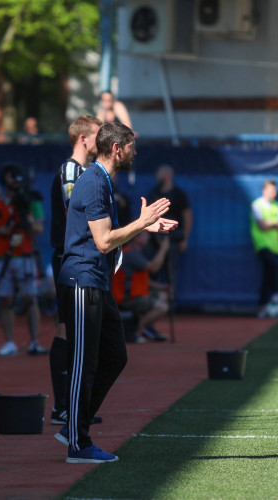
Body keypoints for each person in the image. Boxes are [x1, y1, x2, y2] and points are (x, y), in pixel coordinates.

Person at [54, 122, 178, 463]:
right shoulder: (94, 182)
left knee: (115, 356)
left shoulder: (104, 181)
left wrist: (145, 225)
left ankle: (73, 427)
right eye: (131, 147)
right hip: (82, 281)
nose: (135, 153)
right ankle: (78, 444)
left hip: (97, 281)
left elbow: (110, 236)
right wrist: (141, 223)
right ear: (116, 149)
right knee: (84, 362)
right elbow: (103, 240)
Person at [48, 115, 102, 425]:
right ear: (83, 138)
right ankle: (62, 406)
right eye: (97, 135)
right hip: (70, 258)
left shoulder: (84, 171)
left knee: (75, 328)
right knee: (66, 328)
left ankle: (72, 404)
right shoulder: (72, 171)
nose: (101, 140)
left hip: (77, 258)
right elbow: (74, 213)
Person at [0, 163, 48, 356]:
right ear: (4, 178)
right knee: (5, 299)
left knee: (31, 298)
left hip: (25, 254)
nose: (15, 180)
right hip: (1, 256)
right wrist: (2, 231)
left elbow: (38, 229)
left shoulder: (30, 201)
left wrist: (27, 218)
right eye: (12, 176)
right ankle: (10, 342)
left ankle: (34, 342)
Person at [112, 231, 170, 342]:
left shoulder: (136, 251)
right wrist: (163, 249)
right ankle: (132, 331)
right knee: (162, 307)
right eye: (145, 234)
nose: (148, 237)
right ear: (135, 238)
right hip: (127, 297)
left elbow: (141, 280)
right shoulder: (130, 253)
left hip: (136, 293)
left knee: (163, 295)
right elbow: (154, 267)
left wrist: (161, 287)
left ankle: (147, 328)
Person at [146, 165, 193, 303]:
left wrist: (184, 238)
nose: (156, 177)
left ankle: (170, 303)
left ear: (167, 176)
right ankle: (153, 303)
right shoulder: (153, 193)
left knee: (171, 272)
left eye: (159, 174)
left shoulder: (179, 194)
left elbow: (188, 216)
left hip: (173, 239)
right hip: (155, 240)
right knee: (153, 270)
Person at [250, 179, 278, 318]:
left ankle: (265, 305)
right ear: (264, 191)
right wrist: (276, 222)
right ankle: (276, 296)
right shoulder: (257, 205)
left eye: (275, 190)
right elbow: (262, 225)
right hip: (262, 245)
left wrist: (271, 223)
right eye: (271, 190)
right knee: (271, 266)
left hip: (276, 246)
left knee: (269, 274)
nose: (274, 193)